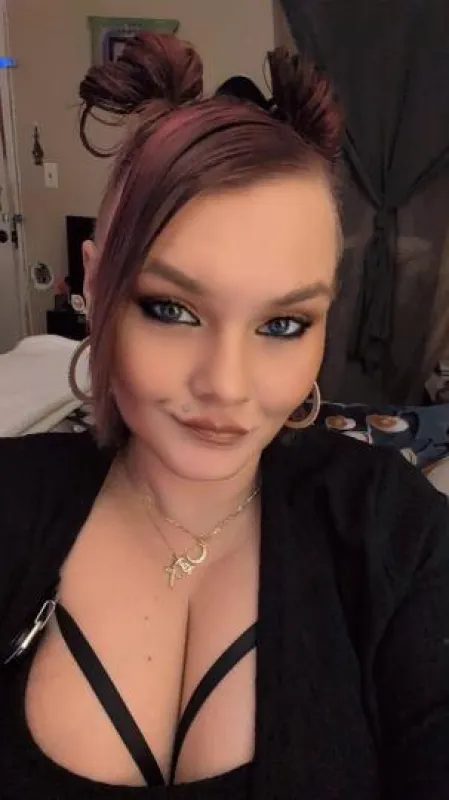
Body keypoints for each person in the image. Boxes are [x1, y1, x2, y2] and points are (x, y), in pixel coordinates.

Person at [0, 32, 448, 799]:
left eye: (283, 324)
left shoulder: (394, 532)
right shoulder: (10, 502)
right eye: (172, 309)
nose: (227, 386)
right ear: (96, 286)